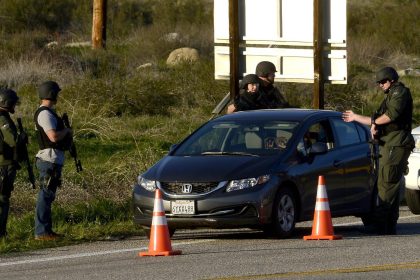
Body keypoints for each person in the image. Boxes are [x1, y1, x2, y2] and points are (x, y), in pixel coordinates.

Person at [342, 66, 414, 235]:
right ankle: (388, 224)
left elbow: (390, 116)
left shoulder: (399, 93)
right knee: (389, 183)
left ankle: (381, 224)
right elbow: (383, 116)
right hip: (389, 143)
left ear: (392, 80)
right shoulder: (390, 95)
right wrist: (375, 125)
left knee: (386, 184)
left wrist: (360, 118)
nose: (381, 85)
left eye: (383, 81)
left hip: (395, 144)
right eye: (379, 82)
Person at [34, 81, 72, 241]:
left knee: (48, 195)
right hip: (49, 159)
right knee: (45, 195)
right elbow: (53, 136)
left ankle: (46, 231)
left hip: (53, 159)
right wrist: (67, 131)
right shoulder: (45, 114)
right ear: (52, 94)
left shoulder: (48, 112)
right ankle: (42, 232)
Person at [0, 88, 22, 238]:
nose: (15, 106)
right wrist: (22, 138)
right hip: (4, 164)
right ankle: (1, 233)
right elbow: (12, 140)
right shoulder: (2, 118)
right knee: (3, 198)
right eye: (13, 103)